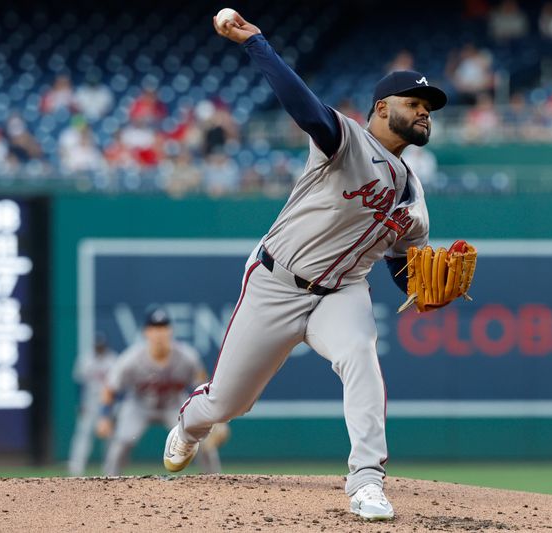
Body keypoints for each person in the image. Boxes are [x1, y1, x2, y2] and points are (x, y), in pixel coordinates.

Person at [163, 10, 452, 522]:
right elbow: (304, 107)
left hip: (342, 292)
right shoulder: (345, 141)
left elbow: (401, 264)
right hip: (276, 281)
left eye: (430, 107)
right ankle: (189, 422)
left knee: (361, 356)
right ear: (381, 108)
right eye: (416, 103)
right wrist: (257, 44)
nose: (426, 112)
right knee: (229, 403)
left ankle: (366, 479)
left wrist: (425, 291)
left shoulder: (416, 200)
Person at [97, 308, 225, 476]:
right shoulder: (131, 359)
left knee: (202, 441)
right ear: (146, 332)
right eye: (154, 328)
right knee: (121, 443)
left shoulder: (187, 357)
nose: (159, 333)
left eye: (163, 327)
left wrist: (214, 420)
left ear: (170, 331)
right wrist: (105, 416)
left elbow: (203, 386)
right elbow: (110, 388)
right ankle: (108, 483)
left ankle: (215, 480)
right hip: (138, 405)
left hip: (174, 404)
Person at [67, 333, 118, 476]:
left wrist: (114, 407)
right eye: (97, 346)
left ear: (105, 346)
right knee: (83, 435)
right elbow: (79, 384)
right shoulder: (86, 359)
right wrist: (80, 403)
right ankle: (76, 468)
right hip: (90, 404)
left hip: (107, 404)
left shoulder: (112, 360)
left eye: (101, 346)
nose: (99, 349)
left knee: (110, 439)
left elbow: (117, 387)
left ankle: (110, 470)